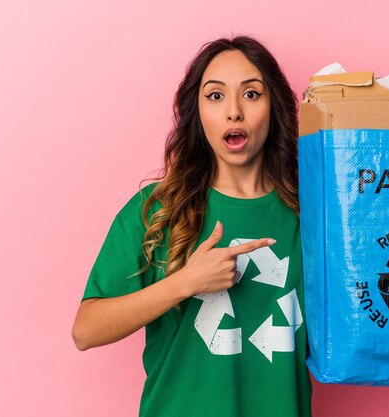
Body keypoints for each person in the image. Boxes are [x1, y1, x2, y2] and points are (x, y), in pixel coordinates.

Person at [72, 35, 312, 417]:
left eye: (251, 94)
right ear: (197, 112)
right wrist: (186, 282)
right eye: (215, 96)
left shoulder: (312, 213)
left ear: (275, 106)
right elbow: (86, 330)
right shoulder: (157, 210)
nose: (234, 111)